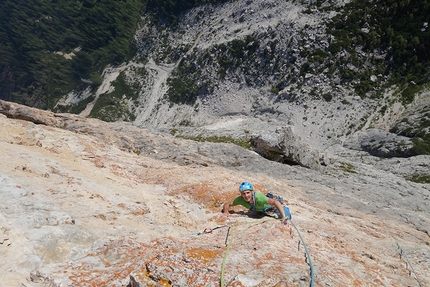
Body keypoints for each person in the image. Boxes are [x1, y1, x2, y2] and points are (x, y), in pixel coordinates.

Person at [222, 182, 291, 222]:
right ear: (241, 194)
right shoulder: (240, 199)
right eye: (243, 193)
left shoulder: (258, 197)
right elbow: (227, 204)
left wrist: (283, 217)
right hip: (260, 210)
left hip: (271, 208)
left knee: (287, 217)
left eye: (248, 193)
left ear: (252, 192)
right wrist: (226, 212)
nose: (246, 195)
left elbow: (276, 202)